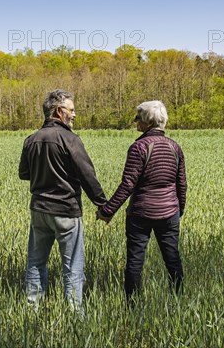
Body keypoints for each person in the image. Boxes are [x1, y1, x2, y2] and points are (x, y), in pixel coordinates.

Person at [19, 89, 107, 311]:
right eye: (72, 110)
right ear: (59, 112)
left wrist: (44, 172)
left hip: (39, 210)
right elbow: (88, 175)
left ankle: (32, 309)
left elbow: (24, 173)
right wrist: (102, 203)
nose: (75, 114)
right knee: (73, 266)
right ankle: (74, 313)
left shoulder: (32, 139)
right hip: (66, 210)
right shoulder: (70, 139)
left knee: (36, 262)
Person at [96, 100, 187, 300]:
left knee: (135, 261)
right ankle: (178, 300)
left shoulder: (138, 147)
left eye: (138, 118)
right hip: (170, 213)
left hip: (140, 214)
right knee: (172, 259)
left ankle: (133, 307)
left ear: (147, 122)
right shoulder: (175, 147)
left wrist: (107, 210)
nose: (135, 121)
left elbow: (128, 184)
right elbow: (181, 184)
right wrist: (179, 209)